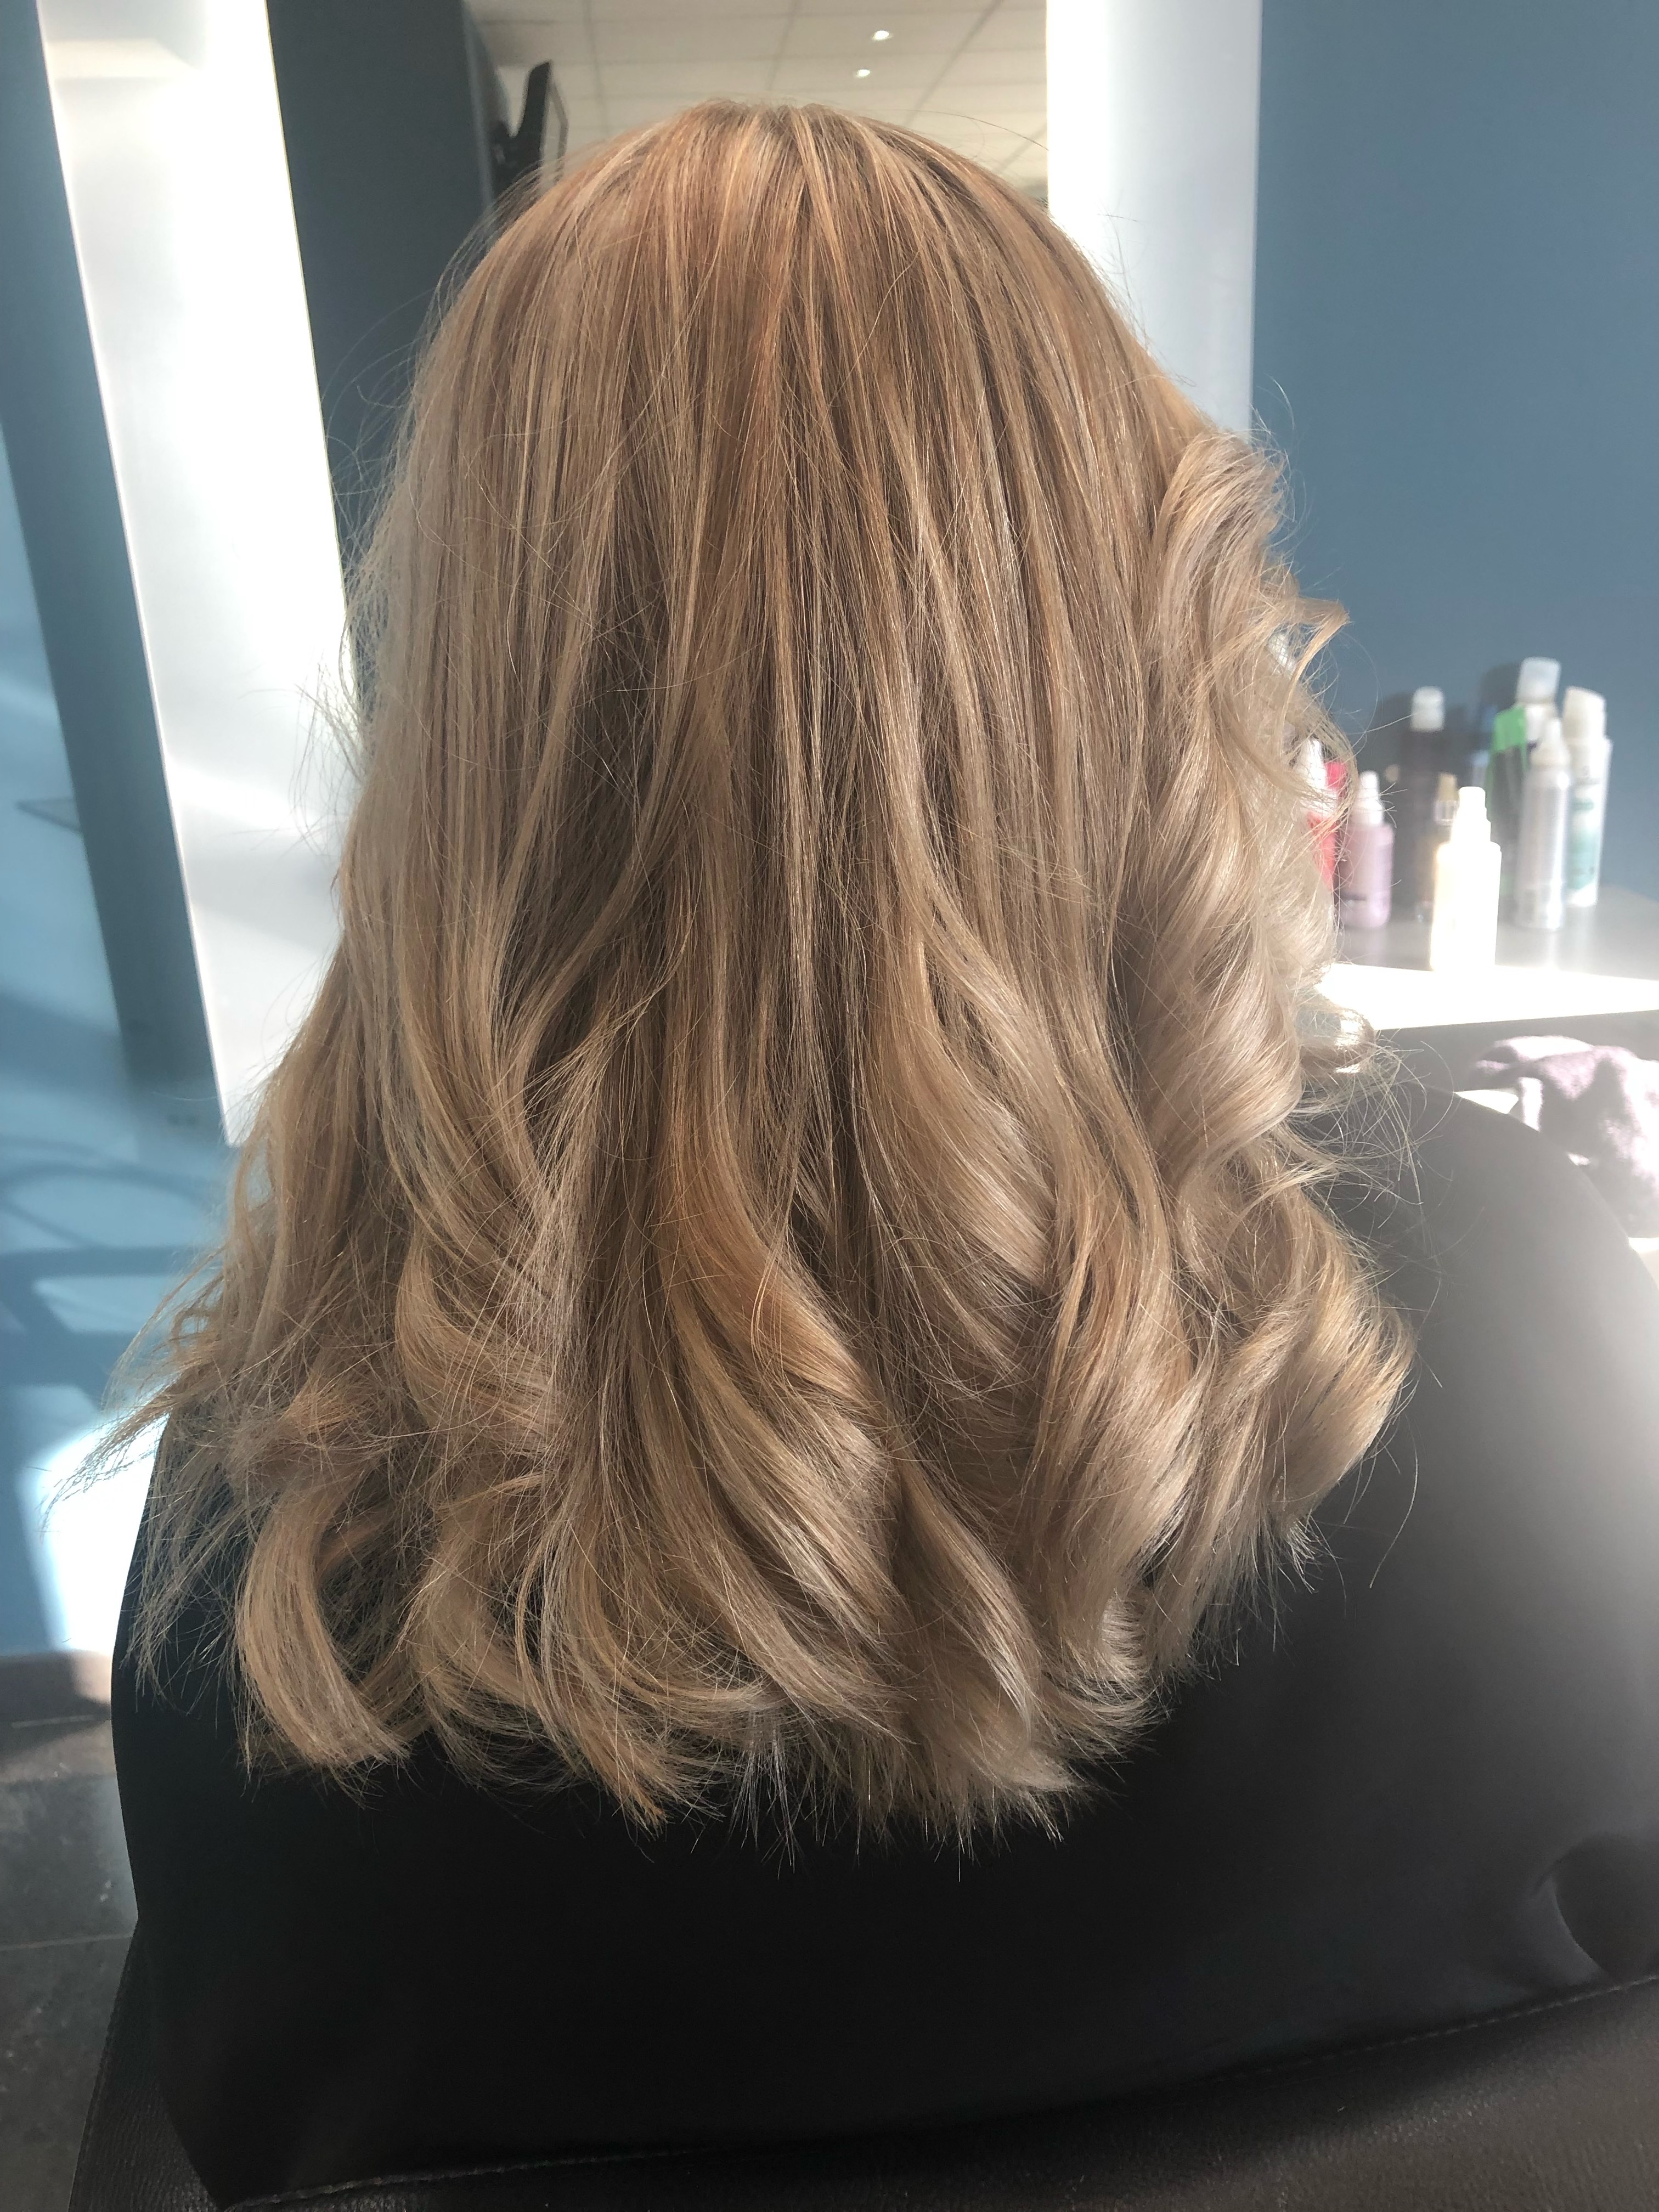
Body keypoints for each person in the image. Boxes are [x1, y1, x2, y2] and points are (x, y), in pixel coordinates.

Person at [106, 101, 1659, 2205]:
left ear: (475, 712)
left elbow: (250, 2127)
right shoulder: (1512, 1302)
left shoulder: (275, 1570)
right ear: (1139, 629)